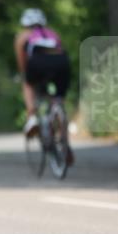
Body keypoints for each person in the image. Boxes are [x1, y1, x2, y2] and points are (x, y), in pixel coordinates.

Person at [15, 8, 71, 138]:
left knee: (27, 83)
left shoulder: (23, 36)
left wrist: (25, 75)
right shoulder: (53, 33)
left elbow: (22, 64)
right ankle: (59, 114)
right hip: (62, 61)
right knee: (58, 96)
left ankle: (32, 116)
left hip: (38, 62)